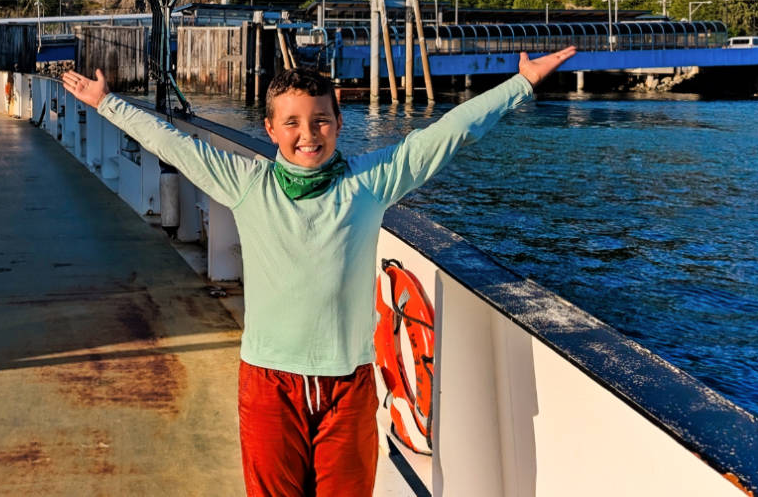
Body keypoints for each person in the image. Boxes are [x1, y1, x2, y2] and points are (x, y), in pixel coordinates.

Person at [61, 46, 575, 497]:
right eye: (292, 123)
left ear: (338, 123)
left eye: (321, 121)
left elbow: (446, 135)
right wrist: (108, 103)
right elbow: (173, 144)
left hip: (347, 386)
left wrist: (520, 83)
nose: (308, 135)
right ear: (270, 129)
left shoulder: (369, 182)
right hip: (268, 384)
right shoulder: (248, 183)